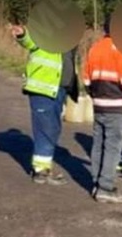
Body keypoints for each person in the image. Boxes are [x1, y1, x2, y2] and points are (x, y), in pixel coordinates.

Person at [83, 15, 122, 203]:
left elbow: (86, 78)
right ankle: (106, 186)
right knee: (113, 147)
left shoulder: (96, 48)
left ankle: (97, 182)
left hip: (99, 105)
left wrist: (95, 95)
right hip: (117, 106)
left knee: (98, 144)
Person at [11, 23, 79, 186]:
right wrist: (22, 34)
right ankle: (41, 171)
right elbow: (29, 41)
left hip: (59, 90)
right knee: (45, 129)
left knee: (53, 128)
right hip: (43, 90)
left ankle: (44, 167)